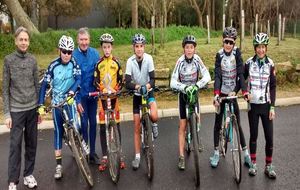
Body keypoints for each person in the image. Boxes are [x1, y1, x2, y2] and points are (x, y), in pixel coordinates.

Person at [38, 35, 82, 180]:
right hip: (56, 103)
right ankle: (58, 165)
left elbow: (78, 79)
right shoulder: (53, 66)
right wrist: (40, 105)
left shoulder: (74, 63)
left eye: (70, 52)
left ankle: (77, 145)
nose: (67, 55)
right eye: (64, 51)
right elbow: (44, 85)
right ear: (59, 50)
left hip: (69, 100)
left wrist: (72, 91)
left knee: (76, 126)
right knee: (57, 131)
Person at [3, 26, 39, 190]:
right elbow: (5, 89)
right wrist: (7, 113)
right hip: (16, 111)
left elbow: (37, 86)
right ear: (16, 41)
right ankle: (12, 181)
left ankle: (28, 175)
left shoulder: (33, 60)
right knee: (15, 147)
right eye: (21, 39)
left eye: (26, 39)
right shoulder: (8, 60)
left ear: (29, 42)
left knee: (31, 144)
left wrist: (39, 109)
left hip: (32, 109)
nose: (24, 42)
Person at [210, 27, 251, 168]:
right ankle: (216, 152)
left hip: (233, 92)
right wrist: (216, 94)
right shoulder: (219, 55)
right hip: (221, 92)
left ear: (234, 43)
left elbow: (240, 74)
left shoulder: (237, 53)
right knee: (217, 124)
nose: (228, 45)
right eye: (226, 41)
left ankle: (245, 154)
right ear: (222, 40)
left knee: (237, 124)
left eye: (231, 42)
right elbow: (217, 75)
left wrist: (243, 91)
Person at [170, 35, 211, 170]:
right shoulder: (180, 61)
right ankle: (181, 157)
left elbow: (207, 76)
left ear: (194, 49)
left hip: (194, 93)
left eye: (191, 47)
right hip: (183, 95)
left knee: (198, 117)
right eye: (187, 47)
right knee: (182, 126)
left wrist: (197, 85)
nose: (189, 50)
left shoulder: (197, 60)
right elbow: (173, 82)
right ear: (184, 49)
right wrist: (184, 87)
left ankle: (196, 135)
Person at [244, 33, 277, 179]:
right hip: (253, 106)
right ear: (255, 48)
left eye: (263, 47)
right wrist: (245, 92)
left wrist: (272, 107)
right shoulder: (248, 63)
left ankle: (268, 166)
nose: (261, 50)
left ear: (266, 48)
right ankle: (253, 163)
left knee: (269, 137)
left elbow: (273, 86)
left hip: (266, 105)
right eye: (258, 47)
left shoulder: (271, 64)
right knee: (254, 136)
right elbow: (242, 79)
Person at [125, 33, 158, 170]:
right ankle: (137, 156)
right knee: (137, 127)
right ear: (134, 48)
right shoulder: (129, 61)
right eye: (136, 46)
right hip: (137, 95)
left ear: (144, 47)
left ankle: (153, 125)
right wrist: (138, 87)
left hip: (148, 91)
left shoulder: (149, 58)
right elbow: (127, 82)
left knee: (155, 116)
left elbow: (152, 79)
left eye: (141, 46)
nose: (139, 49)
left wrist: (147, 87)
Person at [93, 33, 125, 171]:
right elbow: (94, 81)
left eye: (109, 47)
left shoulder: (116, 63)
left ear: (112, 48)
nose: (107, 49)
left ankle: (119, 155)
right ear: (102, 48)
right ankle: (105, 156)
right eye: (104, 47)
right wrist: (100, 88)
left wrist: (116, 89)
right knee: (102, 127)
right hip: (103, 99)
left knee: (116, 126)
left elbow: (121, 80)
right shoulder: (98, 64)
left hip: (114, 98)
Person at [73, 27, 100, 165]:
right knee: (83, 123)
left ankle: (93, 152)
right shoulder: (73, 56)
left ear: (89, 40)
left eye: (86, 39)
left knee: (93, 123)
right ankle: (85, 150)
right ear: (78, 40)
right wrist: (76, 100)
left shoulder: (95, 53)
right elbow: (72, 79)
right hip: (80, 96)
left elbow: (99, 73)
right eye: (81, 39)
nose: (84, 42)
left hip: (93, 95)